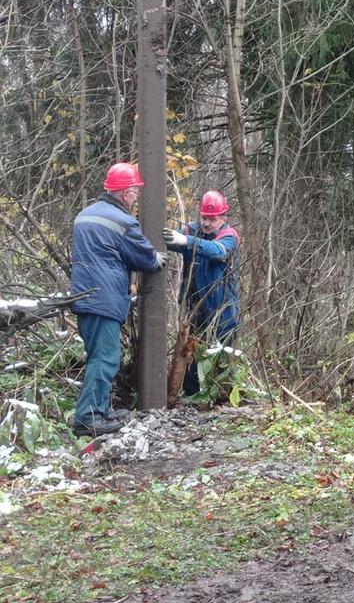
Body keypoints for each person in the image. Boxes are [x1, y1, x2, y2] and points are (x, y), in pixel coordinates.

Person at [68, 163, 167, 437]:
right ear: (125, 194)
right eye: (134, 192)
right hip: (104, 299)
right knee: (106, 359)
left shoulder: (85, 215)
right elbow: (145, 258)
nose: (136, 197)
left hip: (84, 296)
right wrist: (157, 258)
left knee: (98, 356)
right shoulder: (122, 221)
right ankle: (88, 419)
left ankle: (100, 411)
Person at [164, 191, 241, 396]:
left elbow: (217, 251)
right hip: (194, 307)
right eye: (204, 218)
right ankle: (191, 396)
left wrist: (187, 241)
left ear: (223, 218)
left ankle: (221, 398)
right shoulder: (192, 230)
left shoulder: (229, 236)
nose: (206, 223)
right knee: (191, 352)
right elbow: (170, 241)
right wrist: (171, 239)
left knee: (222, 356)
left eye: (212, 219)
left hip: (223, 309)